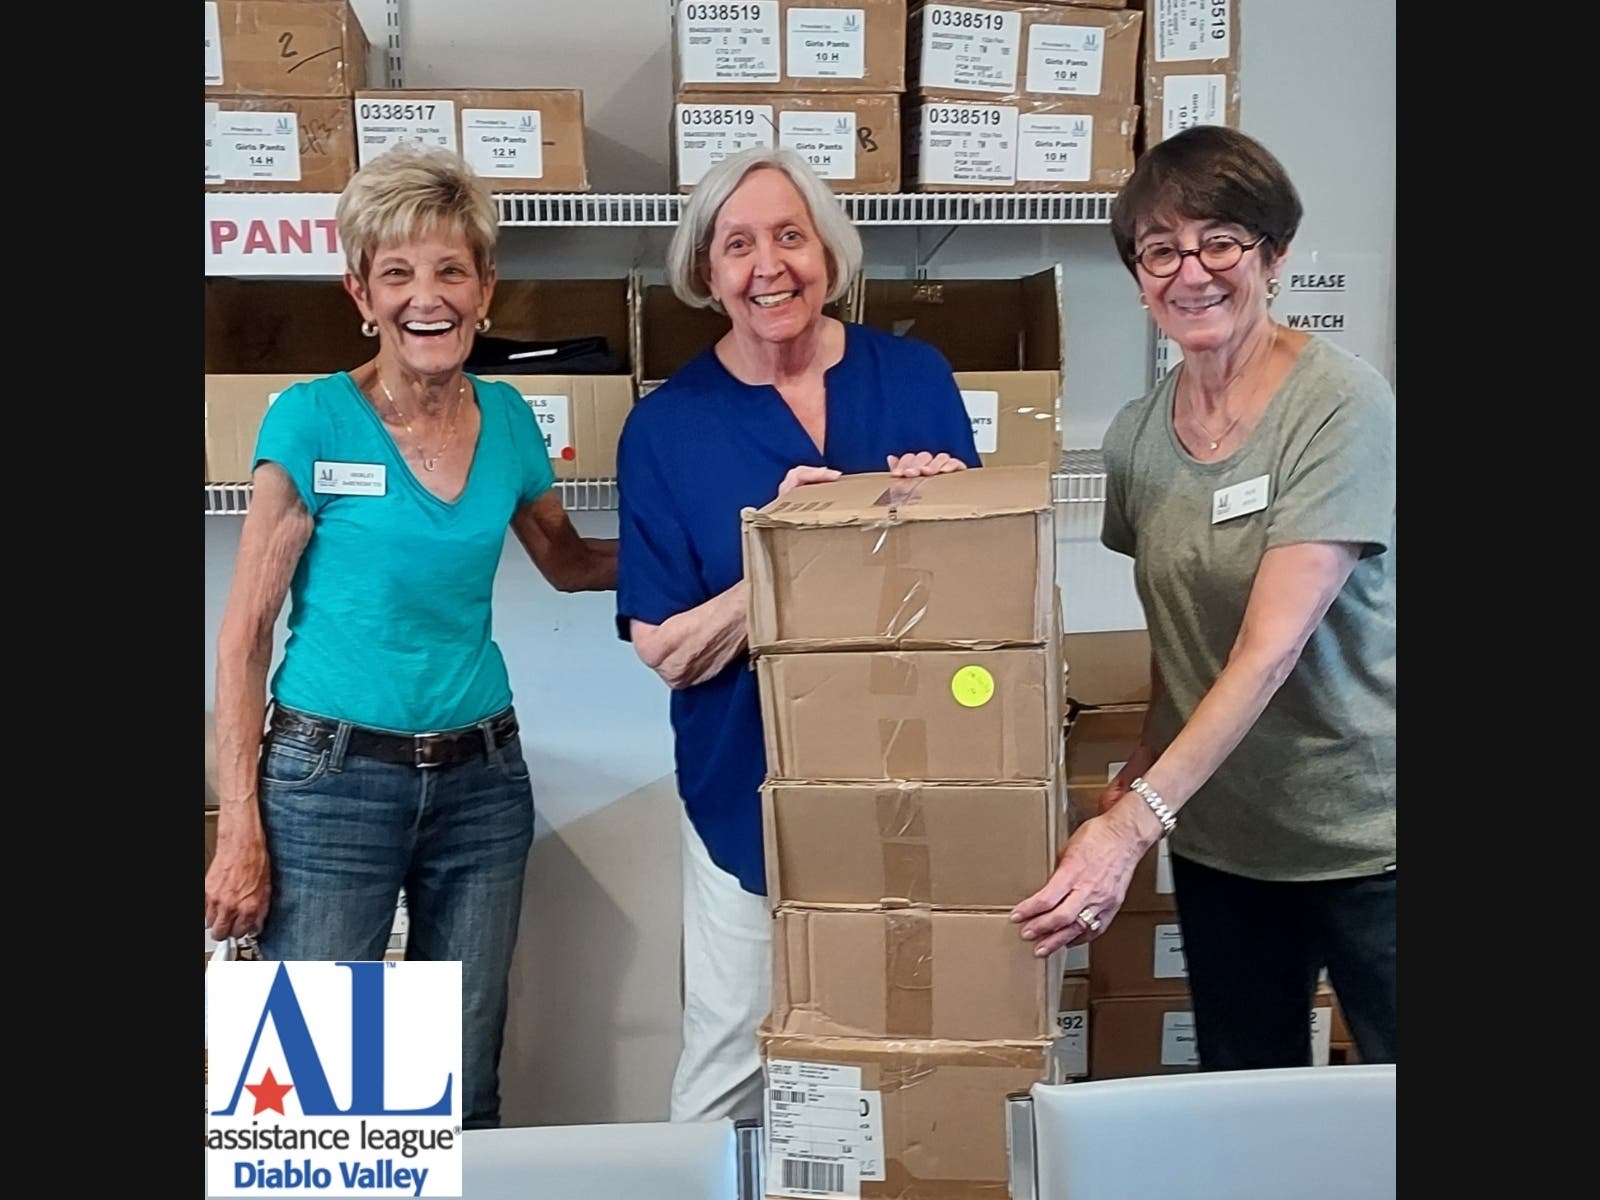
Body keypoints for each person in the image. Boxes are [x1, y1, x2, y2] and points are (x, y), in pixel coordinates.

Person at [203, 143, 618, 1128]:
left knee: (461, 1078)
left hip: (483, 784)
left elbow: (567, 562)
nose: (424, 297)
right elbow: (243, 636)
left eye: (449, 270)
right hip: (328, 784)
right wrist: (238, 827)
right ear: (360, 291)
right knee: (316, 1096)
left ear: (484, 290)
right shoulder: (309, 421)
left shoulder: (511, 420)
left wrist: (735, 546)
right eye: (397, 272)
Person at [1013, 125, 1396, 1070]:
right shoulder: (1139, 439)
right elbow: (1177, 626)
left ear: (1273, 253)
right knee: (1244, 1102)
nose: (1192, 272)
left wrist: (1131, 824)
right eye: (1159, 250)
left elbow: (1271, 646)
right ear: (1139, 275)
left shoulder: (1340, 405)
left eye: (1220, 240)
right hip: (1222, 840)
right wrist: (1147, 751)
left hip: (1369, 841)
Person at [616, 146, 981, 1121]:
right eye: (737, 245)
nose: (767, 265)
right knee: (733, 1062)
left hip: (914, 784)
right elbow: (664, 650)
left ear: (830, 251)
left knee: (908, 1054)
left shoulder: (915, 379)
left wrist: (948, 523)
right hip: (749, 801)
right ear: (704, 272)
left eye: (789, 235)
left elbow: (978, 598)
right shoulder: (666, 428)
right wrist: (779, 558)